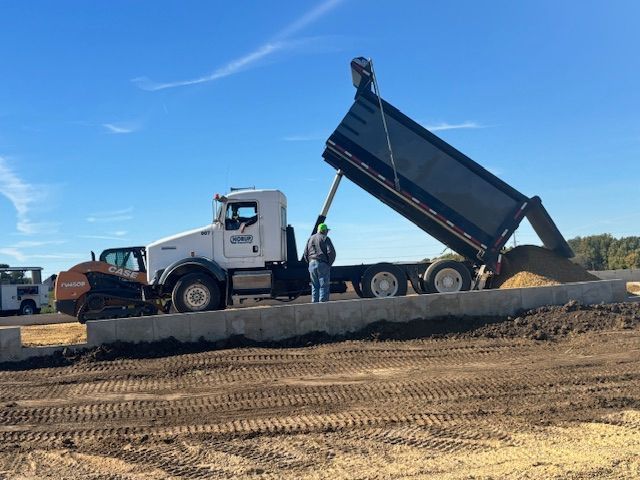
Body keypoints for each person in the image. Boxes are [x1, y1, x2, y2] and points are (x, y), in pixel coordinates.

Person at [303, 223, 336, 302]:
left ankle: (315, 306)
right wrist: (328, 264)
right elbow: (331, 253)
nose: (327, 232)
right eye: (327, 231)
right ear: (324, 231)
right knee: (323, 286)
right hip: (322, 263)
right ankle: (323, 306)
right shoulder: (325, 238)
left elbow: (305, 254)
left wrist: (310, 262)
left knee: (315, 286)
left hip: (311, 263)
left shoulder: (310, 239)